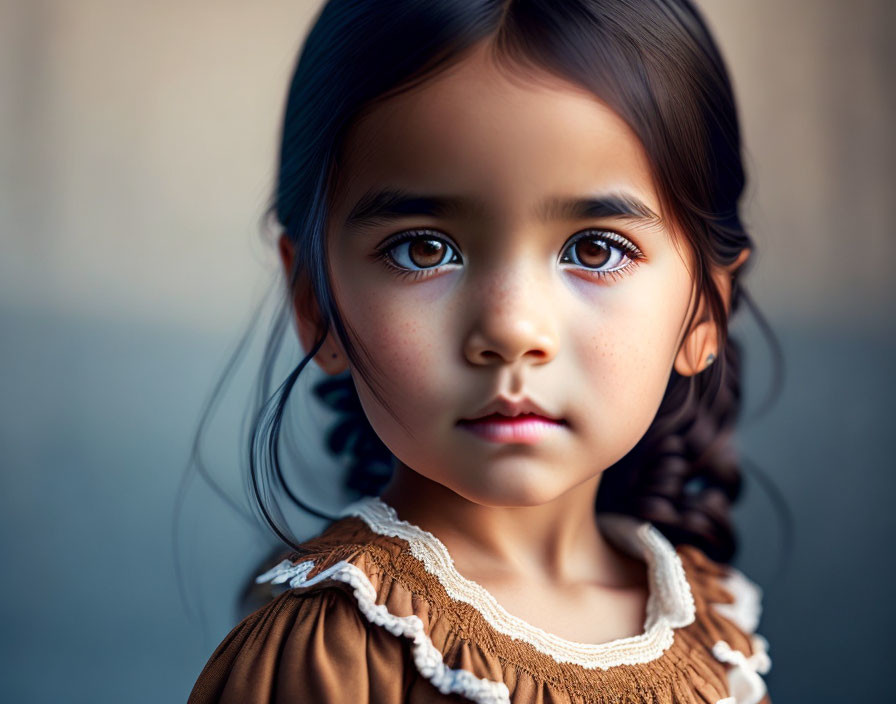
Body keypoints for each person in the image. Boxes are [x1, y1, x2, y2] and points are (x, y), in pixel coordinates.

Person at [189, 1, 774, 702]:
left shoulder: (715, 637)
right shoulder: (327, 659)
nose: (511, 328)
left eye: (594, 249)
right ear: (316, 303)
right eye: (424, 248)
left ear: (703, 312)